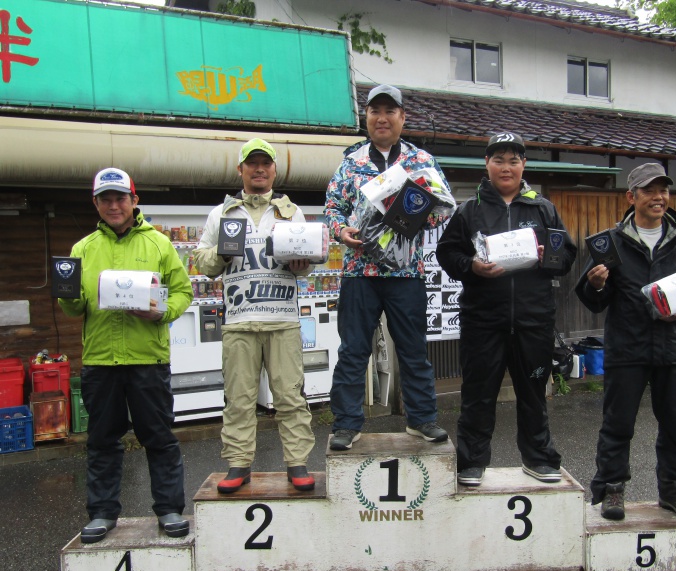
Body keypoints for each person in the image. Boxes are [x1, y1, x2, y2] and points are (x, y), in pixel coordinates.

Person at [59, 167, 193, 543]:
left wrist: (160, 311)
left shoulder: (159, 245)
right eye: (106, 199)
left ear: (134, 201)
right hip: (100, 361)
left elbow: (183, 292)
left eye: (121, 198)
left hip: (148, 358)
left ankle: (168, 509)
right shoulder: (82, 249)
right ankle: (102, 513)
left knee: (159, 437)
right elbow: (72, 309)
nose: (114, 205)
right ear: (96, 204)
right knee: (102, 439)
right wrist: (66, 293)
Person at [436, 132, 576, 487]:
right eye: (499, 159)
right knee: (477, 394)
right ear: (487, 164)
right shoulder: (470, 210)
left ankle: (538, 458)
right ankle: (471, 463)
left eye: (514, 160)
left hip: (533, 320)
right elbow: (447, 253)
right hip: (483, 321)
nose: (506, 167)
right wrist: (472, 266)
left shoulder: (543, 208)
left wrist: (549, 258)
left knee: (534, 393)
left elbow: (566, 255)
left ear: (523, 165)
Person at [575, 162, 676, 521]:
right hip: (627, 346)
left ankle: (675, 491)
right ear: (631, 196)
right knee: (618, 424)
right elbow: (593, 300)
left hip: (674, 346)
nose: (658, 197)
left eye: (663, 190)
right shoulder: (611, 242)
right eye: (650, 190)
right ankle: (612, 490)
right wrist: (597, 283)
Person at [324, 84, 449, 450]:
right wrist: (340, 230)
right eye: (375, 111)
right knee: (353, 350)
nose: (382, 118)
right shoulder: (350, 163)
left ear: (402, 118)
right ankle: (347, 424)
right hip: (358, 273)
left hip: (406, 274)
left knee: (413, 349)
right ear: (366, 118)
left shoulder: (421, 161)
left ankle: (423, 419)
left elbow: (442, 207)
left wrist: (412, 221)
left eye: (390, 111)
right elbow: (333, 208)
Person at [194, 138, 316, 493]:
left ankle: (297, 463)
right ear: (241, 170)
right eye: (252, 163)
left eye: (265, 163)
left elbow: (305, 266)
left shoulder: (292, 213)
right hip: (239, 322)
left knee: (291, 396)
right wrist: (220, 253)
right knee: (239, 398)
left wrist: (302, 263)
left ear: (275, 170)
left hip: (282, 321)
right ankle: (238, 464)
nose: (259, 169)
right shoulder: (222, 214)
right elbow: (203, 264)